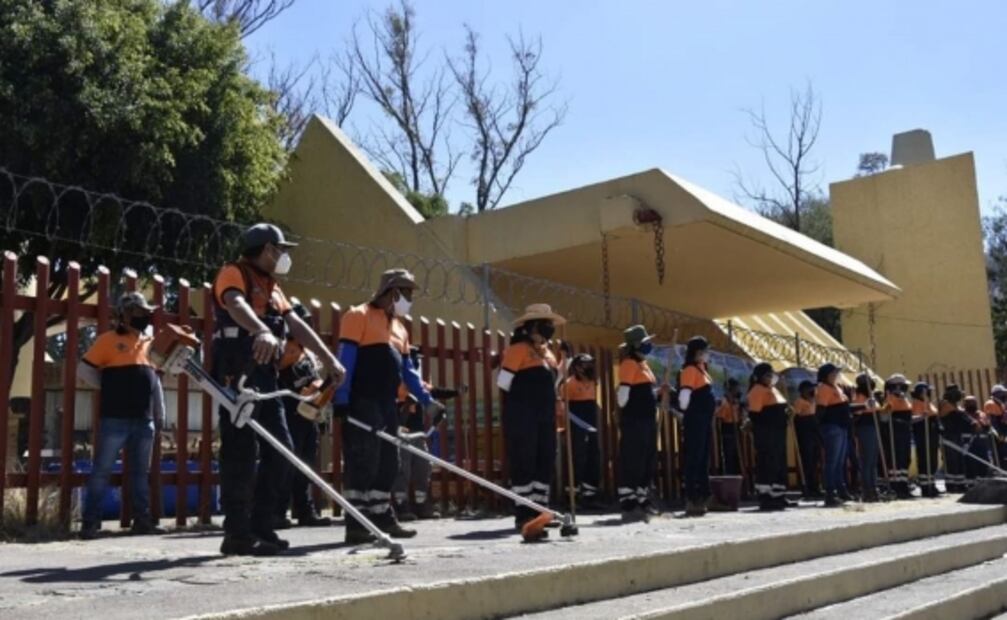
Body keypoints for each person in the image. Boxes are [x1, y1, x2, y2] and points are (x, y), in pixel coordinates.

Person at [212, 223, 344, 556]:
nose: (284, 256)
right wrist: (261, 331)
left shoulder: (273, 286)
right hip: (236, 370)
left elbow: (296, 324)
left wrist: (329, 360)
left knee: (283, 449)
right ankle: (238, 533)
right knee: (240, 452)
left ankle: (262, 524)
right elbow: (233, 303)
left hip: (265, 375)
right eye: (280, 249)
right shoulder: (234, 272)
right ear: (267, 249)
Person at [334, 269, 442, 544]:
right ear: (392, 292)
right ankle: (356, 523)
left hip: (387, 404)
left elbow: (409, 373)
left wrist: (428, 402)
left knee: (388, 463)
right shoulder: (357, 316)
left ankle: (381, 516)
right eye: (406, 293)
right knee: (362, 461)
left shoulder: (400, 328)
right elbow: (345, 360)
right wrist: (342, 400)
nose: (409, 300)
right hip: (361, 401)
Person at [79, 292, 167, 539]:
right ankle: (90, 523)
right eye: (140, 312)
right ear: (126, 314)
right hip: (114, 418)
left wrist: (160, 412)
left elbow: (155, 381)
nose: (146, 316)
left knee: (140, 473)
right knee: (102, 470)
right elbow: (84, 369)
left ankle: (143, 521)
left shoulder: (150, 342)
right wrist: (106, 387)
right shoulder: (107, 340)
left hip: (144, 420)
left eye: (146, 312)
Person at [496, 304, 564, 538]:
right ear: (533, 325)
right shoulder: (518, 349)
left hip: (545, 416)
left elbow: (554, 382)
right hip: (523, 415)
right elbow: (503, 382)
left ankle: (540, 512)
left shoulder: (548, 352)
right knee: (524, 461)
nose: (550, 328)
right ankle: (523, 513)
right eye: (547, 324)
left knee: (545, 460)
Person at [273, 300, 332, 529]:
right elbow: (278, 369)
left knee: (306, 464)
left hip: (309, 413)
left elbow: (313, 377)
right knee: (287, 463)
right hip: (289, 412)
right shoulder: (286, 347)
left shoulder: (308, 352)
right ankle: (278, 510)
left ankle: (304, 509)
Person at [393, 347, 458, 521]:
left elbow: (434, 391)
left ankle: (422, 504)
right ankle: (401, 505)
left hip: (419, 433)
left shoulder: (418, 383)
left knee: (423, 467)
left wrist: (455, 392)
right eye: (415, 360)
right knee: (402, 469)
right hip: (401, 432)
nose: (417, 363)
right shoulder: (398, 382)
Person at [615, 325, 662, 521]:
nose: (648, 345)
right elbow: (622, 399)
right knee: (633, 459)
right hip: (634, 421)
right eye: (644, 343)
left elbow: (646, 391)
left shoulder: (644, 364)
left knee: (647, 459)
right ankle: (629, 501)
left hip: (647, 420)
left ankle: (642, 498)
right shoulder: (628, 364)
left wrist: (659, 393)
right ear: (635, 346)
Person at [677, 336, 715, 517]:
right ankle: (692, 498)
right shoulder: (690, 370)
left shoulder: (702, 369)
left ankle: (705, 496)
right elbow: (684, 398)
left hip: (704, 420)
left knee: (703, 459)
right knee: (694, 458)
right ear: (697, 352)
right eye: (705, 350)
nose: (707, 354)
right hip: (695, 421)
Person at [747, 363, 790, 511]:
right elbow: (755, 414)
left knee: (779, 464)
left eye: (771, 375)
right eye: (767, 375)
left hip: (778, 432)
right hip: (767, 434)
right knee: (767, 464)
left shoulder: (773, 389)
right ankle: (766, 497)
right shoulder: (757, 391)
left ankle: (779, 495)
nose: (770, 378)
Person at [563, 353, 603, 509]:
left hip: (591, 421)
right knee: (577, 457)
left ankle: (590, 495)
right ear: (577, 367)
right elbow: (564, 408)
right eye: (586, 364)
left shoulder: (594, 382)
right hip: (576, 422)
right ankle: (572, 497)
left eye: (590, 364)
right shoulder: (569, 384)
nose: (589, 367)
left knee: (594, 456)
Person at [816, 363, 853, 507]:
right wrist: (819, 429)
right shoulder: (824, 388)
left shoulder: (837, 387)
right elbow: (821, 410)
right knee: (832, 462)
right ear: (825, 375)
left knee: (839, 462)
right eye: (833, 373)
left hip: (842, 426)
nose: (835, 375)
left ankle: (841, 490)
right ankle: (830, 493)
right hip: (832, 427)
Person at [883, 374, 914, 499]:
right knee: (896, 460)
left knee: (905, 460)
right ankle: (896, 486)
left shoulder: (904, 399)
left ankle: (903, 485)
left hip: (905, 433)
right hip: (894, 434)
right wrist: (895, 420)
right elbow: (884, 418)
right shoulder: (889, 399)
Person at [850, 374, 880, 502]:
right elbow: (856, 412)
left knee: (873, 461)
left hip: (874, 428)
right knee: (867, 461)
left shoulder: (871, 395)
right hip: (865, 428)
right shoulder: (859, 396)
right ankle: (867, 490)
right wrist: (867, 405)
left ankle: (874, 488)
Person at [792, 380, 822, 499]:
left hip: (814, 433)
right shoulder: (799, 402)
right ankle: (806, 487)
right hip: (805, 434)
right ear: (803, 391)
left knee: (815, 460)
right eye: (809, 389)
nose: (812, 391)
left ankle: (815, 486)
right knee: (807, 461)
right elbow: (796, 418)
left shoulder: (814, 401)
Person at [911, 382, 940, 498]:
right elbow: (913, 420)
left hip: (932, 435)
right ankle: (925, 486)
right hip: (923, 435)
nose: (928, 393)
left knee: (933, 461)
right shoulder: (916, 404)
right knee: (924, 460)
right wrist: (923, 416)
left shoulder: (927, 403)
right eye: (926, 391)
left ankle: (932, 484)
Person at [939, 384, 968, 493]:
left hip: (957, 435)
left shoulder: (955, 405)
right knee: (951, 461)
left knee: (959, 461)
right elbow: (956, 412)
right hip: (948, 436)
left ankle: (960, 484)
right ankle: (951, 485)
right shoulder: (945, 403)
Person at [714, 378, 744, 476]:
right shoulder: (723, 402)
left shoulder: (738, 402)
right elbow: (718, 414)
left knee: (738, 456)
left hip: (737, 428)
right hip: (728, 429)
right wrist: (728, 405)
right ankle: (730, 476)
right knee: (729, 455)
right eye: (735, 388)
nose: (738, 391)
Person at [962, 395, 990, 484]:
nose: (971, 404)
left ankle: (983, 482)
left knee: (983, 463)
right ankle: (970, 483)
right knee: (969, 463)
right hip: (967, 443)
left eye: (973, 402)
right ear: (965, 404)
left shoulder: (980, 414)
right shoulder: (962, 414)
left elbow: (986, 425)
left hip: (981, 443)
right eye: (968, 403)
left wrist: (980, 422)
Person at [984, 385, 1007, 465]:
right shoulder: (991, 403)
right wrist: (1000, 434)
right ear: (996, 394)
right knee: (997, 452)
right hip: (996, 434)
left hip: (1002, 432)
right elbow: (993, 422)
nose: (1004, 395)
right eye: (1002, 393)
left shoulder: (1000, 403)